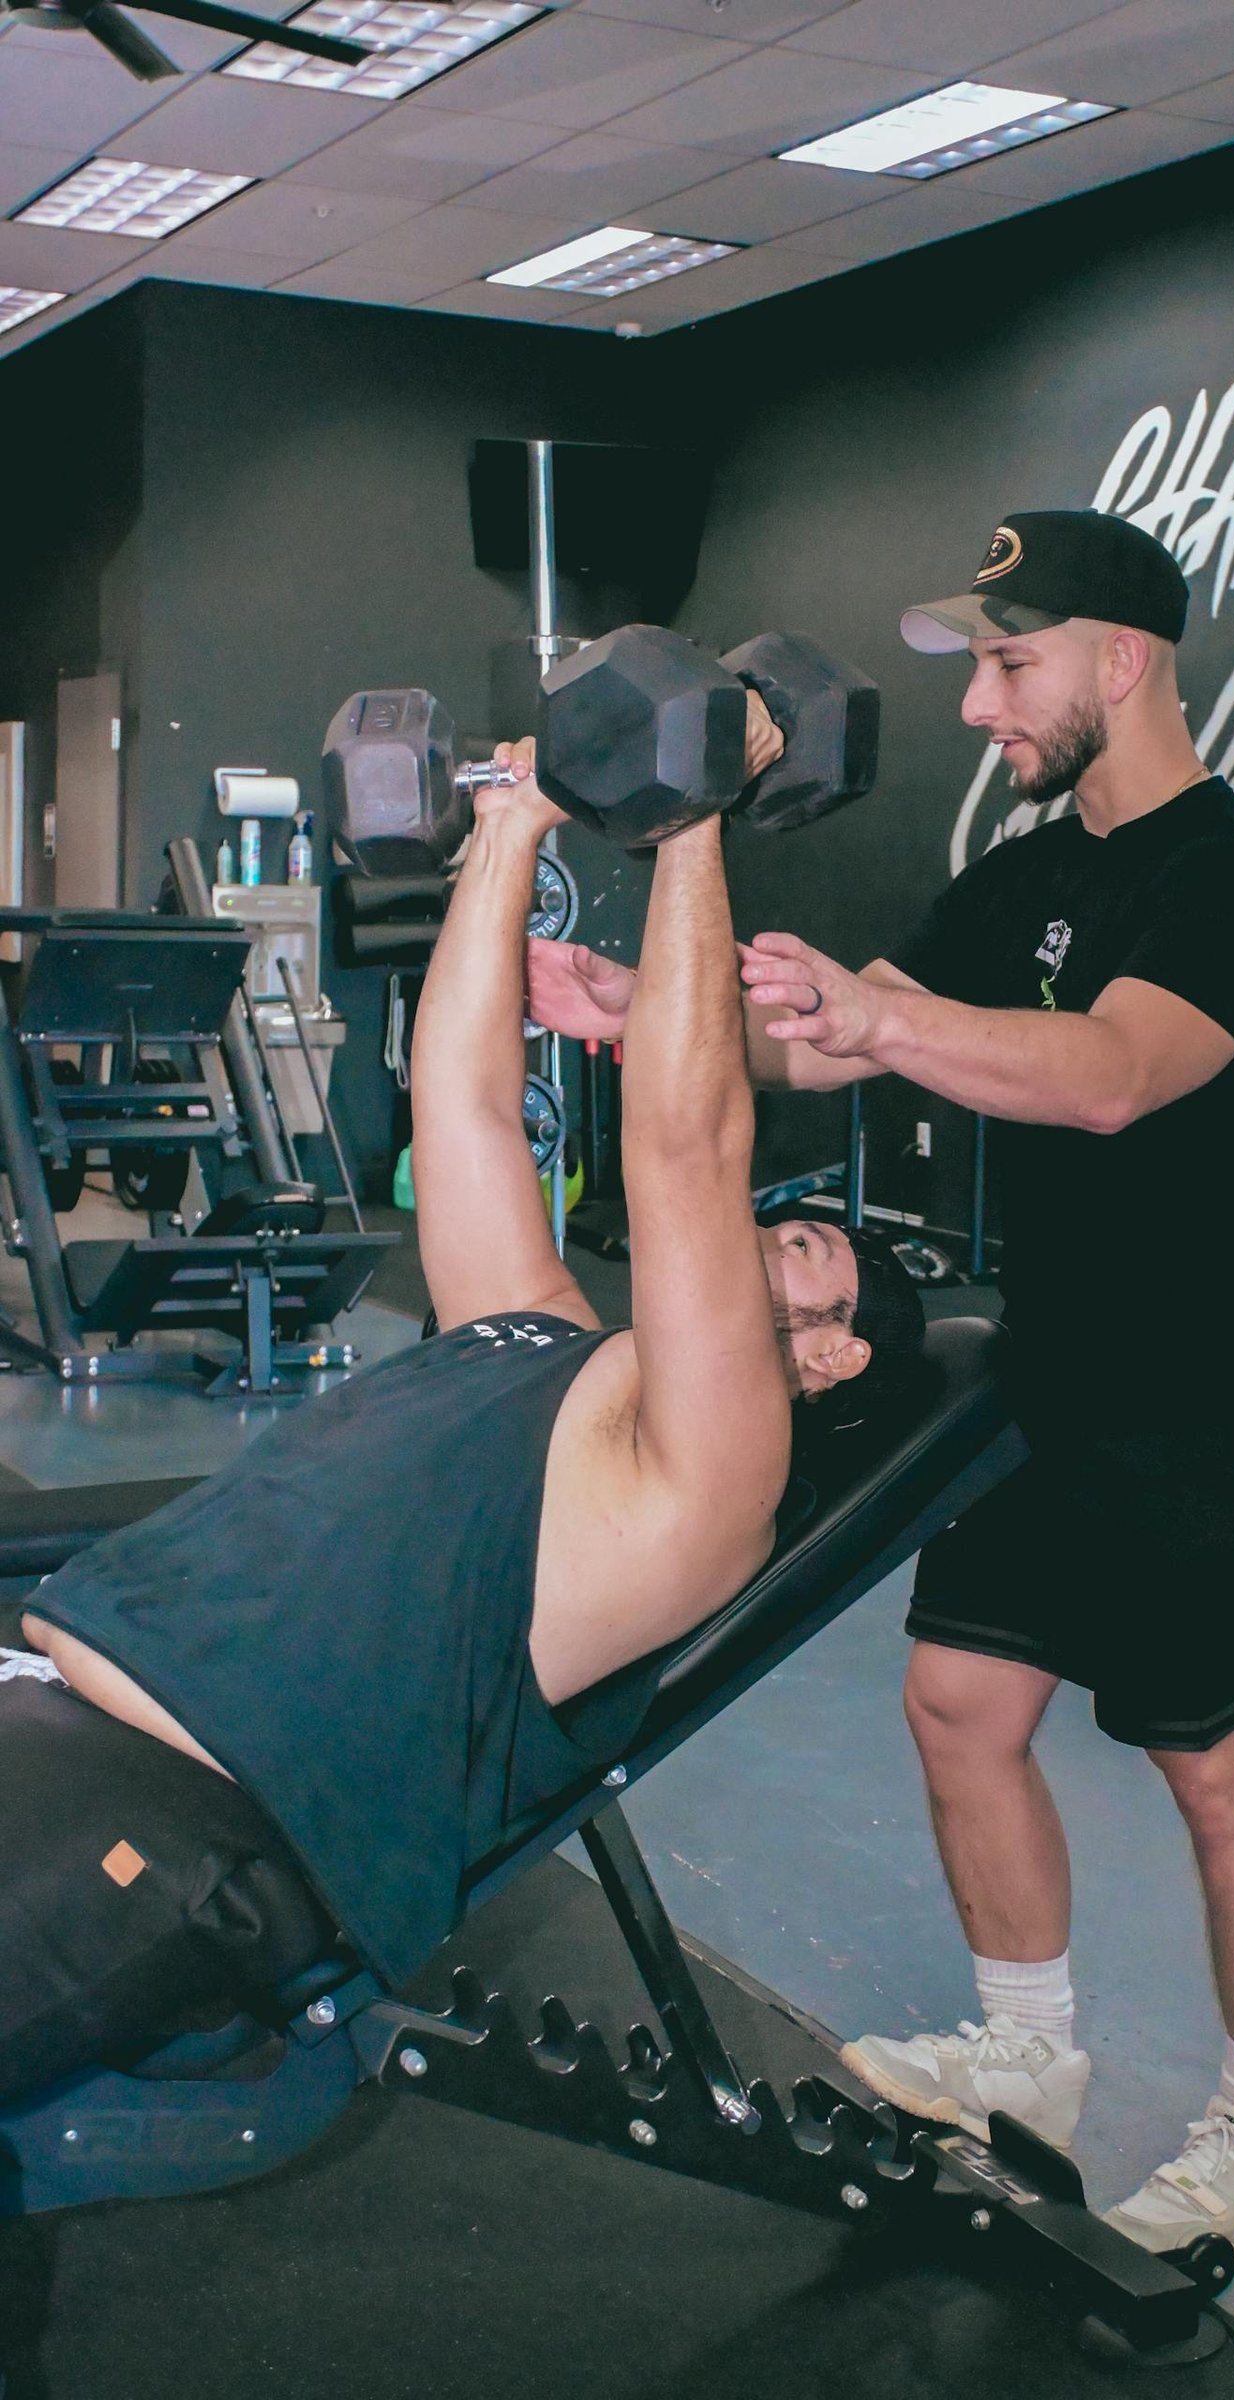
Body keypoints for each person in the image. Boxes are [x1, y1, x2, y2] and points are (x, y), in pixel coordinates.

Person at [523, 510, 1234, 2267]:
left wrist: (887, 1029)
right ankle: (1027, 2056)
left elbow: (1116, 1073)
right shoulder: (1030, 874)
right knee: (962, 1700)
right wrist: (633, 1012)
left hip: (1214, 1399)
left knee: (1221, 1772)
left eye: (1009, 661)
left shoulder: (1232, 885)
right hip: (1053, 1375)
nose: (982, 703)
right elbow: (844, 1018)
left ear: (1121, 660)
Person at [0, 709, 925, 2109]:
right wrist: (506, 831)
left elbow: (687, 1142)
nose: (769, 1237)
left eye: (808, 1253)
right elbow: (467, 1106)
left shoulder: (713, 1472)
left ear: (836, 1357)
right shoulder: (537, 1332)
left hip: (180, 1819)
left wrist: (691, 818)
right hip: (53, 1704)